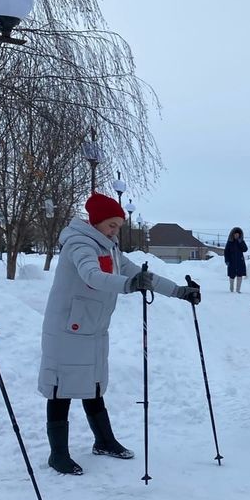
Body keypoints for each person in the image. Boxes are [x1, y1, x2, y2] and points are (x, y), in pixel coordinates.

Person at [38, 193, 200, 475]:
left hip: (93, 328)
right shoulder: (80, 244)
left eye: (118, 226)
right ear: (97, 221)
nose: (115, 231)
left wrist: (179, 291)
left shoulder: (110, 249)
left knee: (94, 384)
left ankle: (104, 441)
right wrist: (128, 285)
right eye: (111, 225)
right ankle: (58, 454)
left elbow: (141, 275)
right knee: (60, 390)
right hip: (67, 329)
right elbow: (92, 276)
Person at [224, 227, 248, 293]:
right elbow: (226, 252)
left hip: (240, 261)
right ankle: (231, 289)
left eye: (238, 234)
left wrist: (240, 242)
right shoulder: (229, 242)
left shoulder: (241, 241)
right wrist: (227, 260)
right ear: (233, 234)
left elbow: (245, 249)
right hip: (231, 262)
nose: (236, 235)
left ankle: (238, 290)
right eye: (235, 234)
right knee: (232, 276)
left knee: (240, 276)